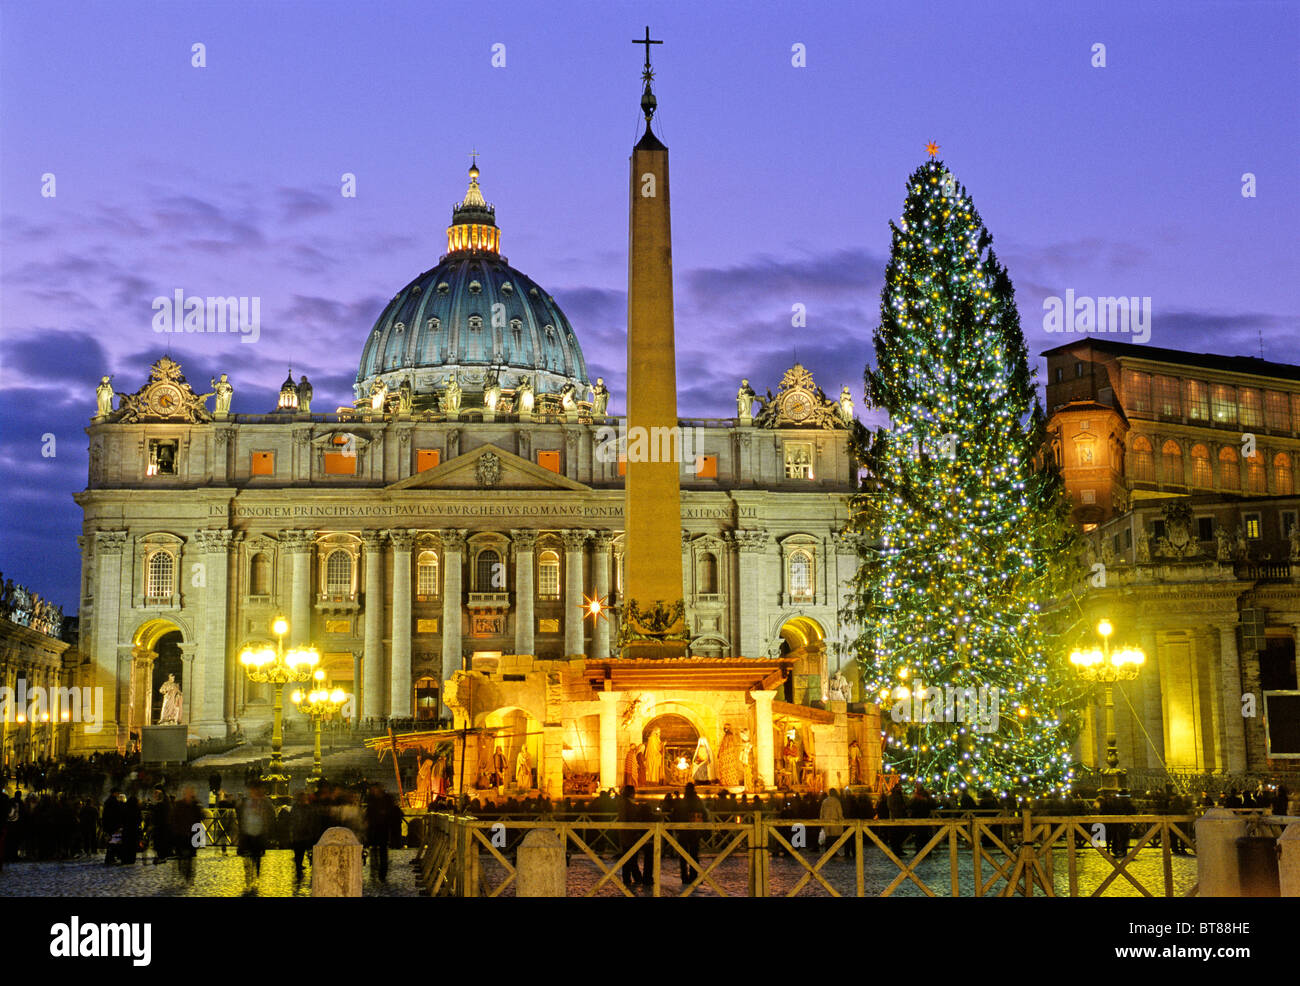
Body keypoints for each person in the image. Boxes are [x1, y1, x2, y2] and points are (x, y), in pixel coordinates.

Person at [237, 783, 275, 892]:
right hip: (247, 834)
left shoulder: (264, 803)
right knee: (247, 860)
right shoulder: (245, 802)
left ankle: (255, 877)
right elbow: (240, 816)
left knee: (256, 858)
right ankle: (249, 879)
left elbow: (271, 816)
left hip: (259, 834)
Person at [672, 782, 707, 884]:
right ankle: (694, 875)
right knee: (694, 855)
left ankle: (684, 876)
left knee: (683, 855)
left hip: (683, 831)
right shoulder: (697, 801)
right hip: (694, 831)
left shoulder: (682, 801)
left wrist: (677, 829)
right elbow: (704, 814)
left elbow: (674, 815)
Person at [364, 784, 400, 883]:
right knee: (374, 851)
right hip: (374, 829)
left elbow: (392, 813)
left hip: (383, 829)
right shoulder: (372, 799)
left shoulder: (386, 799)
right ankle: (375, 871)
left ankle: (382, 873)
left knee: (382, 852)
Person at [170, 786, 204, 884]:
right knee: (182, 856)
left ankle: (189, 875)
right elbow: (174, 818)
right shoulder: (179, 804)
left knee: (191, 857)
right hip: (181, 834)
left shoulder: (196, 804)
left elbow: (200, 818)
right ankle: (184, 872)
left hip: (193, 834)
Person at [617, 784, 643, 888]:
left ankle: (629, 878)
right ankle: (635, 877)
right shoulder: (628, 805)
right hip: (630, 834)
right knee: (631, 857)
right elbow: (631, 818)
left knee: (628, 857)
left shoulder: (623, 803)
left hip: (626, 833)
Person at [289, 791, 318, 882]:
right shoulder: (299, 807)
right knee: (299, 850)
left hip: (303, 832)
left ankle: (299, 864)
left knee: (300, 850)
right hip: (299, 832)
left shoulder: (304, 807)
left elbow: (310, 818)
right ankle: (298, 865)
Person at [149, 788, 172, 864]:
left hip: (161, 827)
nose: (154, 796)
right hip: (162, 826)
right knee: (160, 842)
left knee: (160, 842)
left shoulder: (161, 805)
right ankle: (162, 856)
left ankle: (162, 857)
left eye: (155, 795)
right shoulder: (164, 804)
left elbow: (158, 815)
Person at [102, 788, 124, 865]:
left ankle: (110, 858)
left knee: (111, 842)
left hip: (109, 825)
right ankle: (109, 858)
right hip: (113, 825)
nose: (118, 794)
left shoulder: (108, 801)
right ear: (114, 793)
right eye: (118, 793)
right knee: (113, 842)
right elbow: (117, 814)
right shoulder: (113, 802)